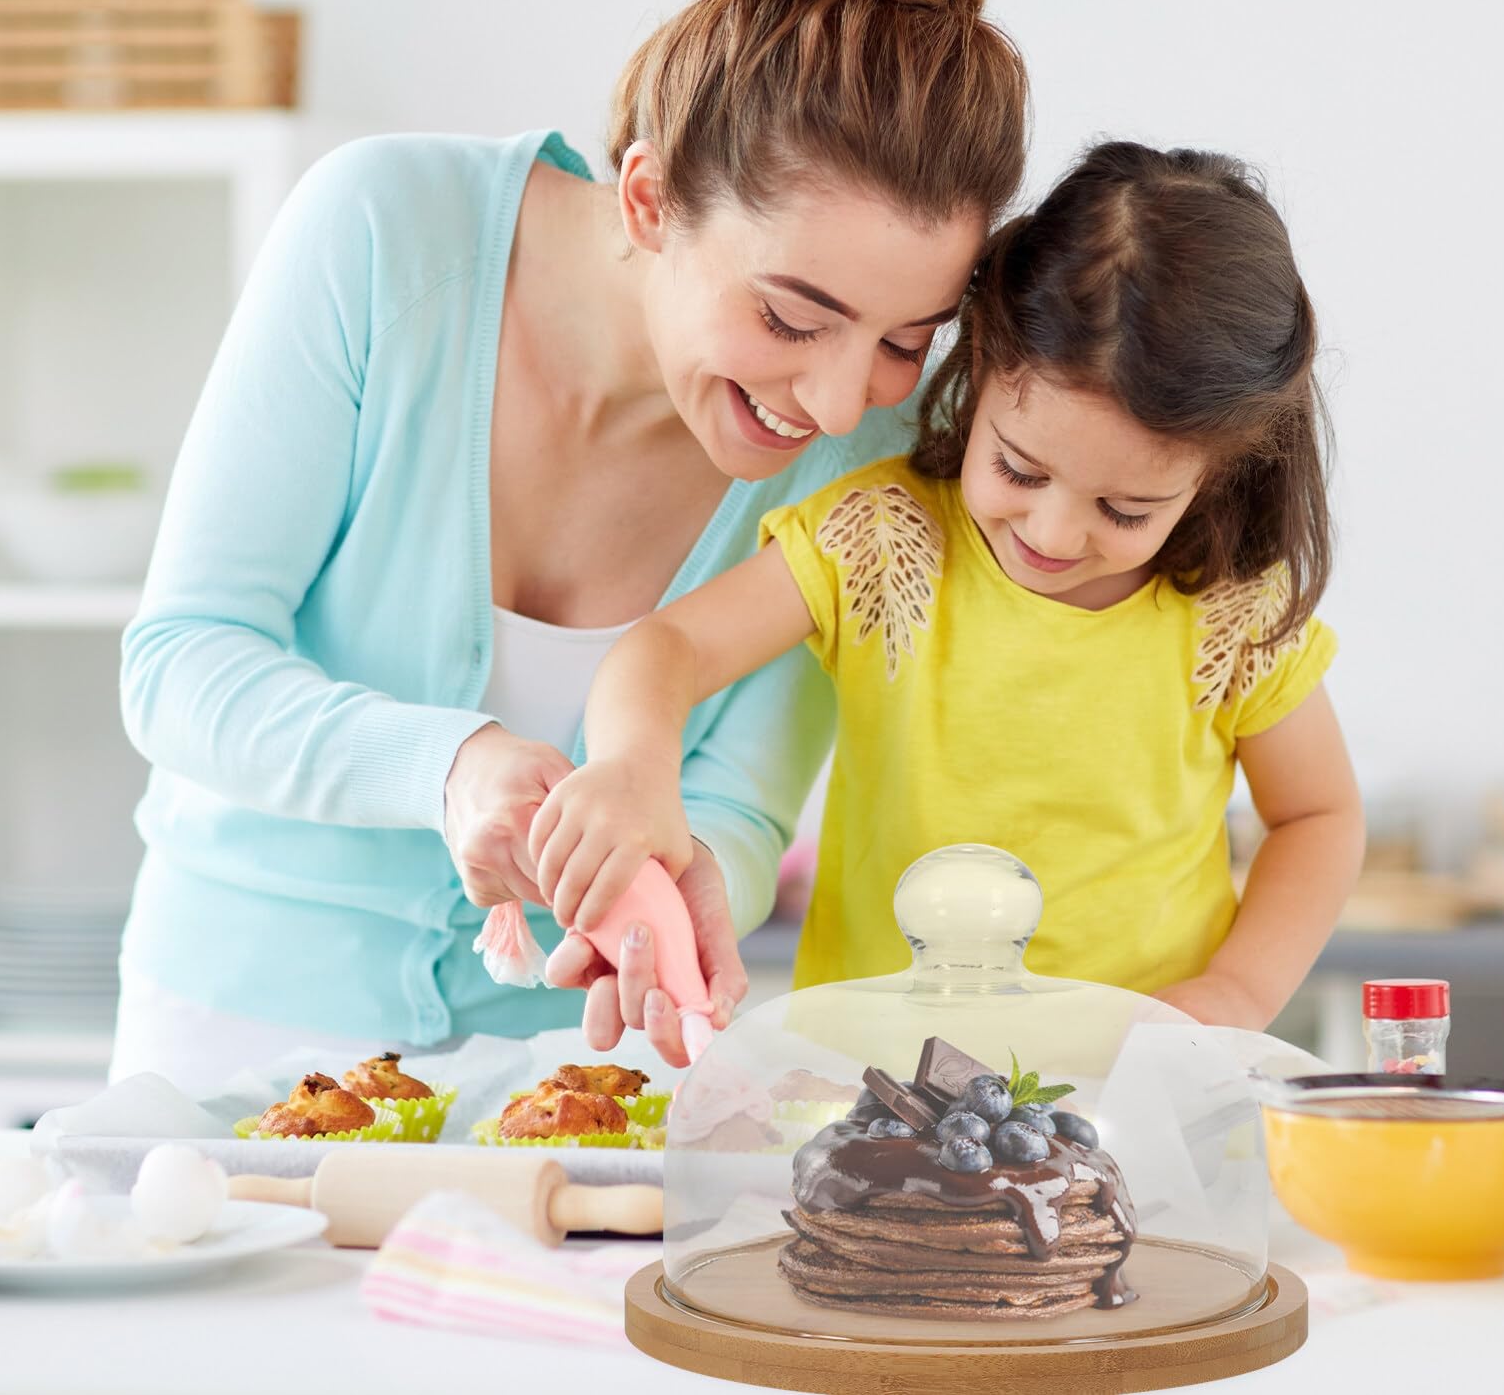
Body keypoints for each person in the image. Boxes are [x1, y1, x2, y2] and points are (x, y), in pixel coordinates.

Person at [111, 0, 1028, 1089]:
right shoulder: (384, 236)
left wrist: (681, 868)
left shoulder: (872, 452)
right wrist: (447, 766)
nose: (831, 398)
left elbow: (745, 802)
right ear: (649, 200)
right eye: (790, 318)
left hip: (571, 1076)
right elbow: (180, 665)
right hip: (237, 1021)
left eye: (902, 341)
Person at [532, 142, 1365, 1030]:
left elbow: (1317, 814)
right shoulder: (883, 540)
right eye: (1017, 466)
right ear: (979, 368)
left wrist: (1238, 990)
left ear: (1218, 473)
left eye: (1124, 509)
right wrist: (632, 766)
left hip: (1136, 1094)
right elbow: (667, 646)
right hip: (879, 1080)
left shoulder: (1228, 614)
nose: (1051, 533)